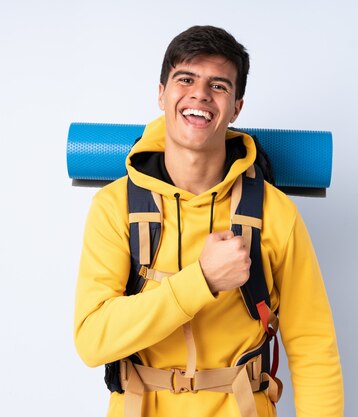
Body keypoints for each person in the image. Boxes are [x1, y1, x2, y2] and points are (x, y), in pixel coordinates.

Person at [74, 25, 344, 417]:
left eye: (219, 85)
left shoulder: (275, 212)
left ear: (236, 108)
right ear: (161, 93)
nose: (200, 93)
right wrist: (202, 280)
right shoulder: (114, 207)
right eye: (186, 79)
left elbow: (313, 348)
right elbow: (92, 341)